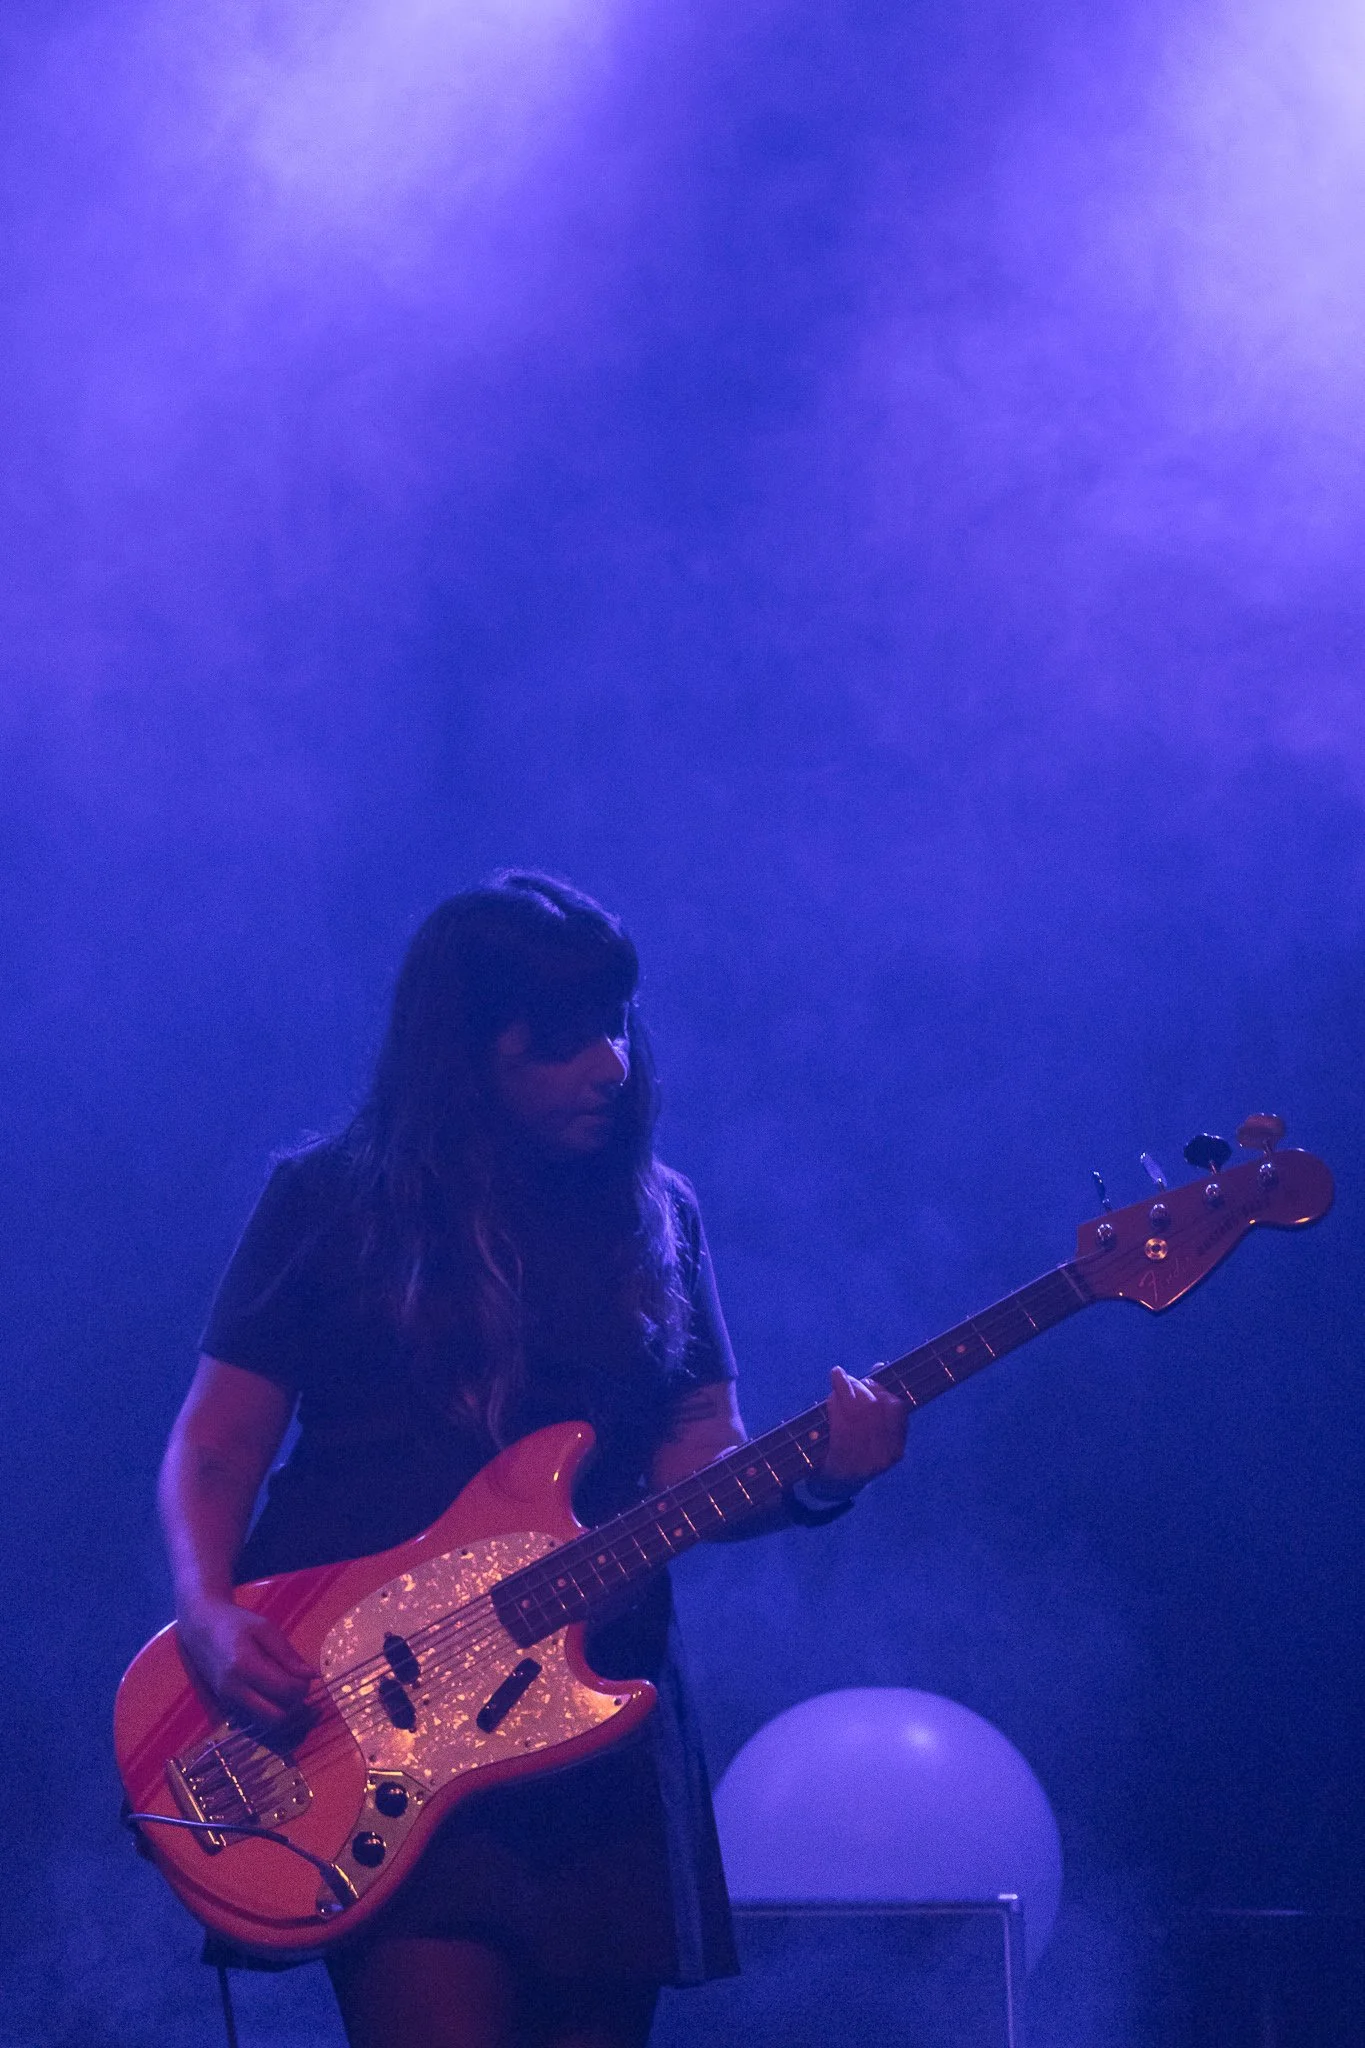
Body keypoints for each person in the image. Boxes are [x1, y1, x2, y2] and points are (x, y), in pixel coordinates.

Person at [158, 873, 908, 2048]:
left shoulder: (659, 1212)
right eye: (560, 1042)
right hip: (374, 1704)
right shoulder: (331, 1199)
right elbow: (217, 1440)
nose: (608, 1065)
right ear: (463, 1053)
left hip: (588, 1716)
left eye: (617, 1025)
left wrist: (820, 1475)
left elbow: (696, 1457)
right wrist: (205, 1611)